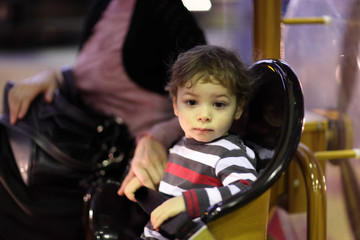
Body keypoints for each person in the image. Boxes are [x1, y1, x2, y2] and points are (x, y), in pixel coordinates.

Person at [0, 0, 206, 239]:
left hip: (117, 162)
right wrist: (55, 77)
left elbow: (206, 96)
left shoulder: (163, 9)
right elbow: (91, 73)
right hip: (83, 140)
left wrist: (157, 138)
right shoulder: (104, 6)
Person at [123, 45, 258, 239]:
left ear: (238, 108)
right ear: (175, 104)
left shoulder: (228, 152)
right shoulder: (180, 146)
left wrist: (187, 202)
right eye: (192, 103)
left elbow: (246, 189)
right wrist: (144, 191)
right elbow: (169, 201)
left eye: (219, 104)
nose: (204, 115)